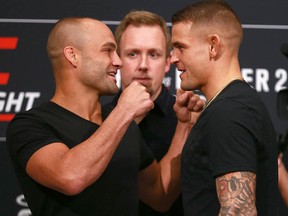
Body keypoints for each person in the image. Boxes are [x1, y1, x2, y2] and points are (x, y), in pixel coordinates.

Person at [6, 17, 204, 215]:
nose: (118, 62)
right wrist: (124, 111)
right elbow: (70, 177)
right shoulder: (30, 125)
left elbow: (159, 196)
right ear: (73, 56)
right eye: (108, 50)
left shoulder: (121, 124)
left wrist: (184, 126)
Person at [170, 1, 278, 215]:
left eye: (181, 47)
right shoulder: (235, 105)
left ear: (213, 46)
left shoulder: (229, 113)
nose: (173, 57)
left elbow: (238, 211)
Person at [105, 10, 183, 216]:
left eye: (154, 54)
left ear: (167, 62)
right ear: (117, 59)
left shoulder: (189, 121)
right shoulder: (96, 120)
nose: (143, 65)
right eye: (132, 54)